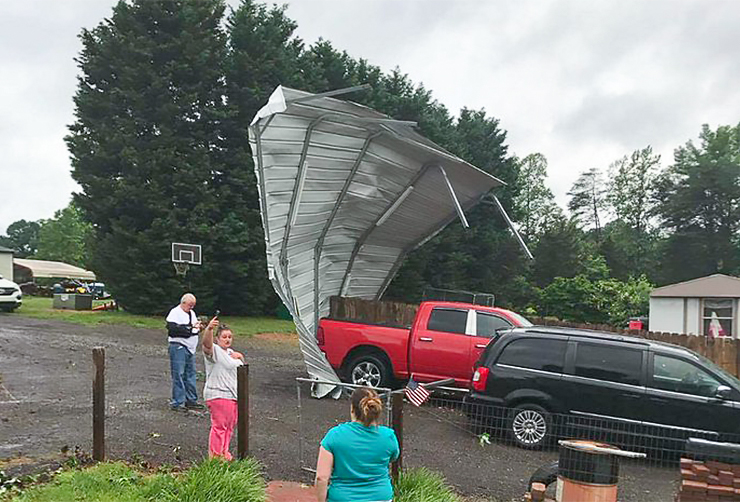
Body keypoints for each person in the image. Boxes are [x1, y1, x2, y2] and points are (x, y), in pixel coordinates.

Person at [315, 387, 400, 502]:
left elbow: (322, 477)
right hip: (380, 497)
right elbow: (393, 457)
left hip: (343, 497)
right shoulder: (389, 436)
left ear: (352, 409)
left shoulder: (334, 435)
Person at [202, 317, 244, 459]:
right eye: (224, 337)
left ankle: (224, 452)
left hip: (233, 395)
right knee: (220, 426)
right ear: (217, 339)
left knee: (230, 427)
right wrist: (209, 329)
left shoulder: (231, 353)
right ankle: (215, 456)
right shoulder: (215, 351)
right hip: (219, 394)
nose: (227, 339)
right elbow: (206, 345)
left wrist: (240, 358)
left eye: (230, 337)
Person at [166, 293, 205, 411]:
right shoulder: (174, 313)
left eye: (193, 306)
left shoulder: (191, 313)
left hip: (189, 348)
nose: (191, 308)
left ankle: (191, 400)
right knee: (179, 374)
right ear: (183, 303)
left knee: (190, 374)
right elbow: (173, 330)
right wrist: (189, 330)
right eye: (190, 305)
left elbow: (193, 328)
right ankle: (178, 402)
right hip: (179, 347)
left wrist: (197, 328)